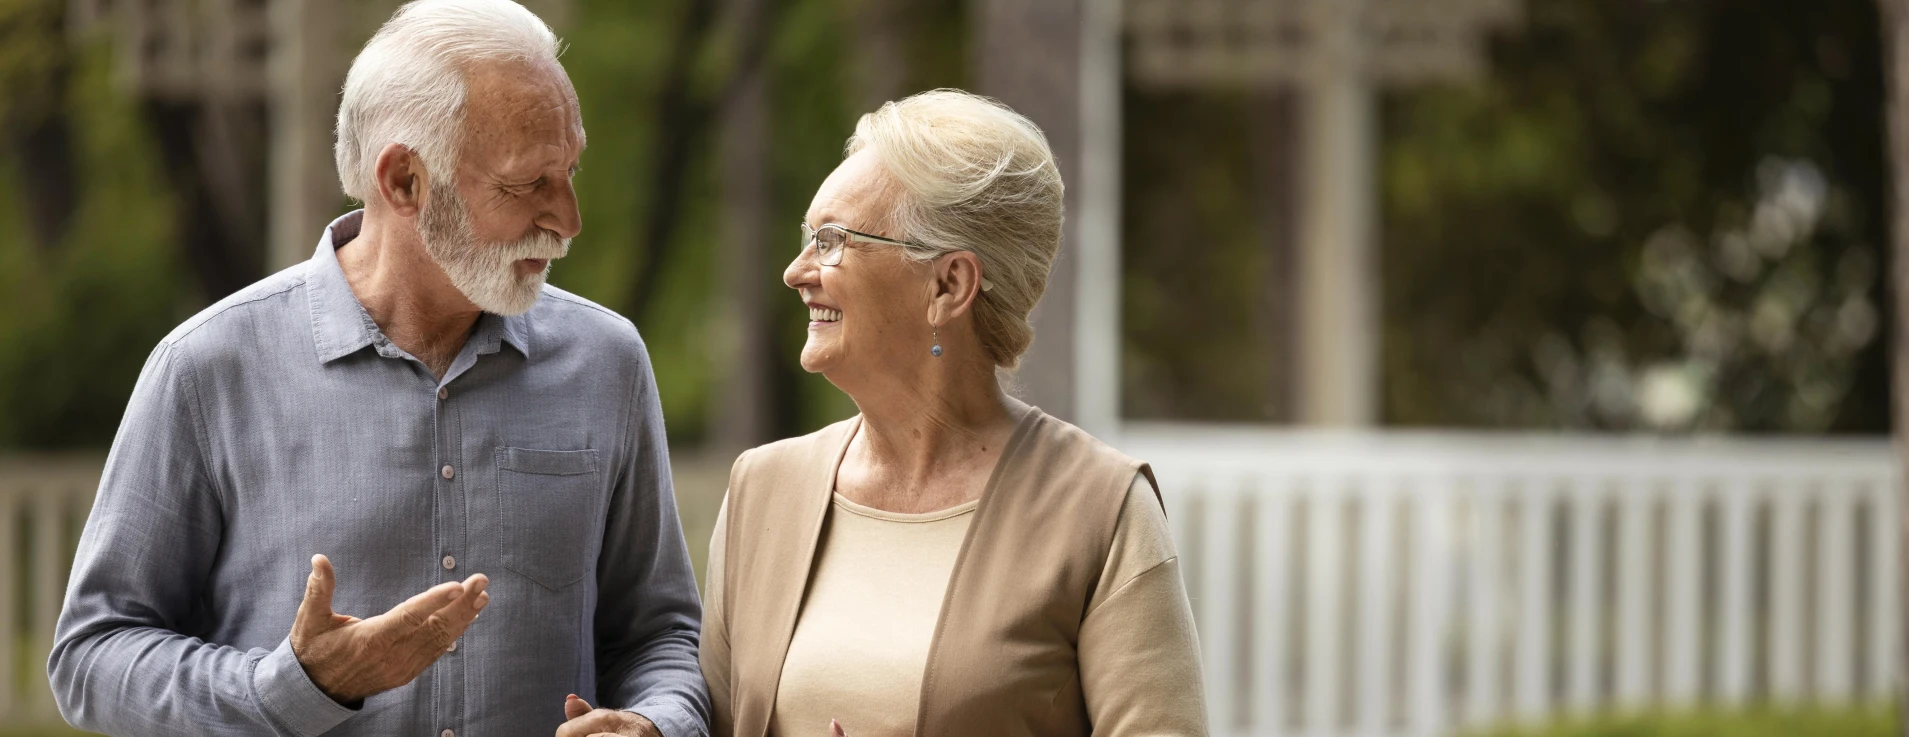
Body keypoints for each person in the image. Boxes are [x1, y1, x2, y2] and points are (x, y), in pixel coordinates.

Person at [47, 2, 707, 736]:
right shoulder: (208, 368)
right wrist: (294, 686)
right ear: (403, 183)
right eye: (529, 184)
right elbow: (91, 657)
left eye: (570, 170)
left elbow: (661, 635)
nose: (568, 218)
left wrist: (655, 724)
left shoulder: (605, 362)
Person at [697, 89, 1209, 737]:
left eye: (831, 240)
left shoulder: (1100, 511)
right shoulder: (762, 490)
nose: (797, 270)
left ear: (949, 285)